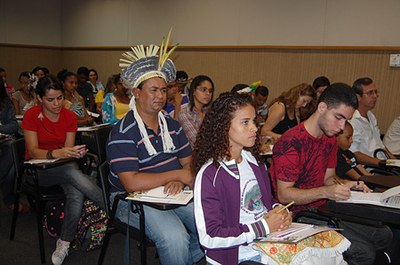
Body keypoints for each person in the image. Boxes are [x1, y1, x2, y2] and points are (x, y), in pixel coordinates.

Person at [106, 33, 203, 265]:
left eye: (163, 90)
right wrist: (176, 175)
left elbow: (189, 164)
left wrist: (180, 180)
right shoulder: (122, 132)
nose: (160, 96)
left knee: (210, 224)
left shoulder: (172, 125)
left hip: (171, 193)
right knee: (175, 238)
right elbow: (131, 183)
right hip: (130, 199)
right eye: (153, 90)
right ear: (136, 93)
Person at [270, 83, 393, 265]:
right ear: (322, 108)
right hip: (298, 216)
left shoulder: (329, 139)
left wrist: (346, 184)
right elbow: (285, 194)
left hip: (324, 209)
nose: (342, 127)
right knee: (362, 252)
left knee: (385, 234)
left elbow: (329, 178)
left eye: (346, 120)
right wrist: (327, 192)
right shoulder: (291, 141)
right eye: (339, 118)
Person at [192, 92, 292, 264]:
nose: (254, 128)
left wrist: (280, 211)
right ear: (224, 127)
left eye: (254, 121)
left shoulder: (255, 162)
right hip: (238, 256)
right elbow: (209, 237)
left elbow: (265, 202)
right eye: (245, 122)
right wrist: (264, 227)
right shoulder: (210, 175)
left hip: (266, 244)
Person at [21, 75, 105, 265]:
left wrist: (73, 153)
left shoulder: (68, 116)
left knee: (75, 192)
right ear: (40, 99)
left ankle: (64, 242)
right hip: (39, 171)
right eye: (50, 100)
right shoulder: (31, 115)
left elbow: (67, 153)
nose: (57, 103)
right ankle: (113, 207)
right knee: (73, 174)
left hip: (64, 167)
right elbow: (33, 151)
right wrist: (60, 153)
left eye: (60, 98)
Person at [349, 77, 396, 167]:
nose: (375, 96)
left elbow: (380, 144)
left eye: (375, 92)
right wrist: (382, 163)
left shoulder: (370, 115)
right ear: (358, 97)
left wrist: (395, 162)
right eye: (370, 93)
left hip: (384, 164)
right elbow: (354, 154)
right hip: (371, 168)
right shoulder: (352, 121)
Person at [0, 80, 29, 213]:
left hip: (5, 140)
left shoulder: (5, 103)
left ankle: (9, 200)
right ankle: (9, 200)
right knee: (11, 167)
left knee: (12, 146)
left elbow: (13, 125)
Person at [176, 75, 214, 148]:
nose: (208, 94)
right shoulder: (184, 114)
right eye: (204, 90)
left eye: (210, 91)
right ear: (193, 91)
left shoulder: (209, 113)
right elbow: (198, 142)